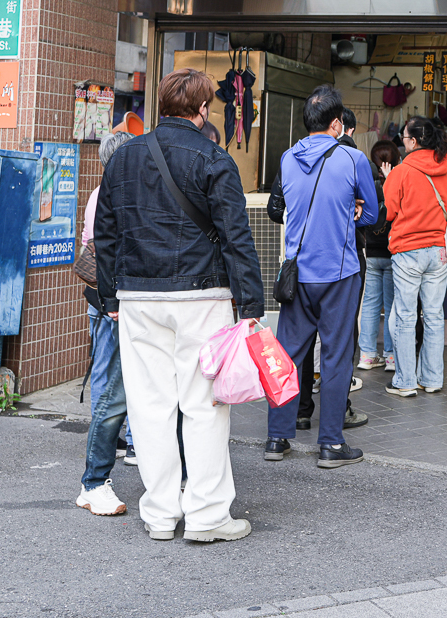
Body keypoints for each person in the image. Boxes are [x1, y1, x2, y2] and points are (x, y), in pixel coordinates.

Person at [95, 69, 265, 543]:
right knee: (204, 406)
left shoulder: (123, 158)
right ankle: (208, 516)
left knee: (149, 407)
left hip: (137, 297)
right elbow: (236, 237)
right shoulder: (213, 157)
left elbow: (106, 235)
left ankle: (160, 514)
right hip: (200, 295)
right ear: (202, 109)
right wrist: (251, 304)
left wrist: (110, 296)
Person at [263, 85, 378, 468]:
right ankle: (330, 444)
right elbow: (374, 217)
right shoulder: (353, 158)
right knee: (335, 357)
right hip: (340, 273)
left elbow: (279, 209)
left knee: (288, 355)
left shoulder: (287, 158)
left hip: (296, 273)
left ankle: (277, 438)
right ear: (336, 123)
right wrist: (354, 208)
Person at [75, 130, 134, 517]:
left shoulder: (99, 192)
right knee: (113, 381)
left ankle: (112, 441)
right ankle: (120, 445)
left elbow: (88, 238)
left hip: (103, 297)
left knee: (107, 376)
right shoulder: (117, 194)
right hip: (113, 298)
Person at [382, 115, 447, 397]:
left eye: (404, 137)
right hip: (439, 250)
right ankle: (432, 379)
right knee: (435, 316)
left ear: (413, 141)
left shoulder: (402, 171)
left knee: (405, 317)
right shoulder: (446, 167)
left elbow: (387, 212)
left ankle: (405, 381)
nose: (402, 141)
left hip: (408, 250)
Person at [358, 139, 399, 371]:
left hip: (371, 251)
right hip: (393, 253)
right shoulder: (397, 180)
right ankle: (391, 357)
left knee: (371, 304)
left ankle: (367, 355)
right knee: (393, 305)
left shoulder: (368, 184)